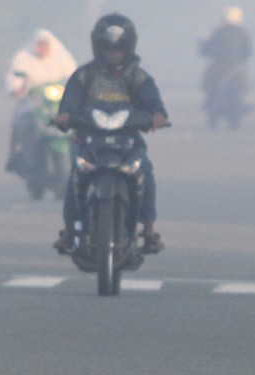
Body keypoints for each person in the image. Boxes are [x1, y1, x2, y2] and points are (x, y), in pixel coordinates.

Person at [52, 12, 168, 254]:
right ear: (98, 47)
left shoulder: (138, 76)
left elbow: (153, 103)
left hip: (128, 141)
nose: (113, 54)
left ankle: (148, 231)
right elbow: (69, 104)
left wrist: (157, 115)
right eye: (108, 48)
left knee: (145, 171)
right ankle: (70, 231)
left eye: (119, 49)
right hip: (88, 140)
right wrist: (64, 116)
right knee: (76, 173)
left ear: (128, 48)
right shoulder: (83, 75)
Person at [4, 29, 77, 174]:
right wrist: (16, 88)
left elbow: (74, 76)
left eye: (45, 44)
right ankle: (21, 156)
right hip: (32, 102)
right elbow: (14, 77)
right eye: (40, 44)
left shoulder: (62, 58)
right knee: (21, 122)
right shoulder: (24, 57)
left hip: (58, 104)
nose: (42, 48)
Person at [200, 6, 252, 128]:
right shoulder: (242, 32)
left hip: (219, 65)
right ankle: (243, 99)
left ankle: (208, 101)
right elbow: (248, 51)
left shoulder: (219, 31)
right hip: (237, 66)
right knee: (243, 83)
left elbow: (206, 49)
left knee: (207, 81)